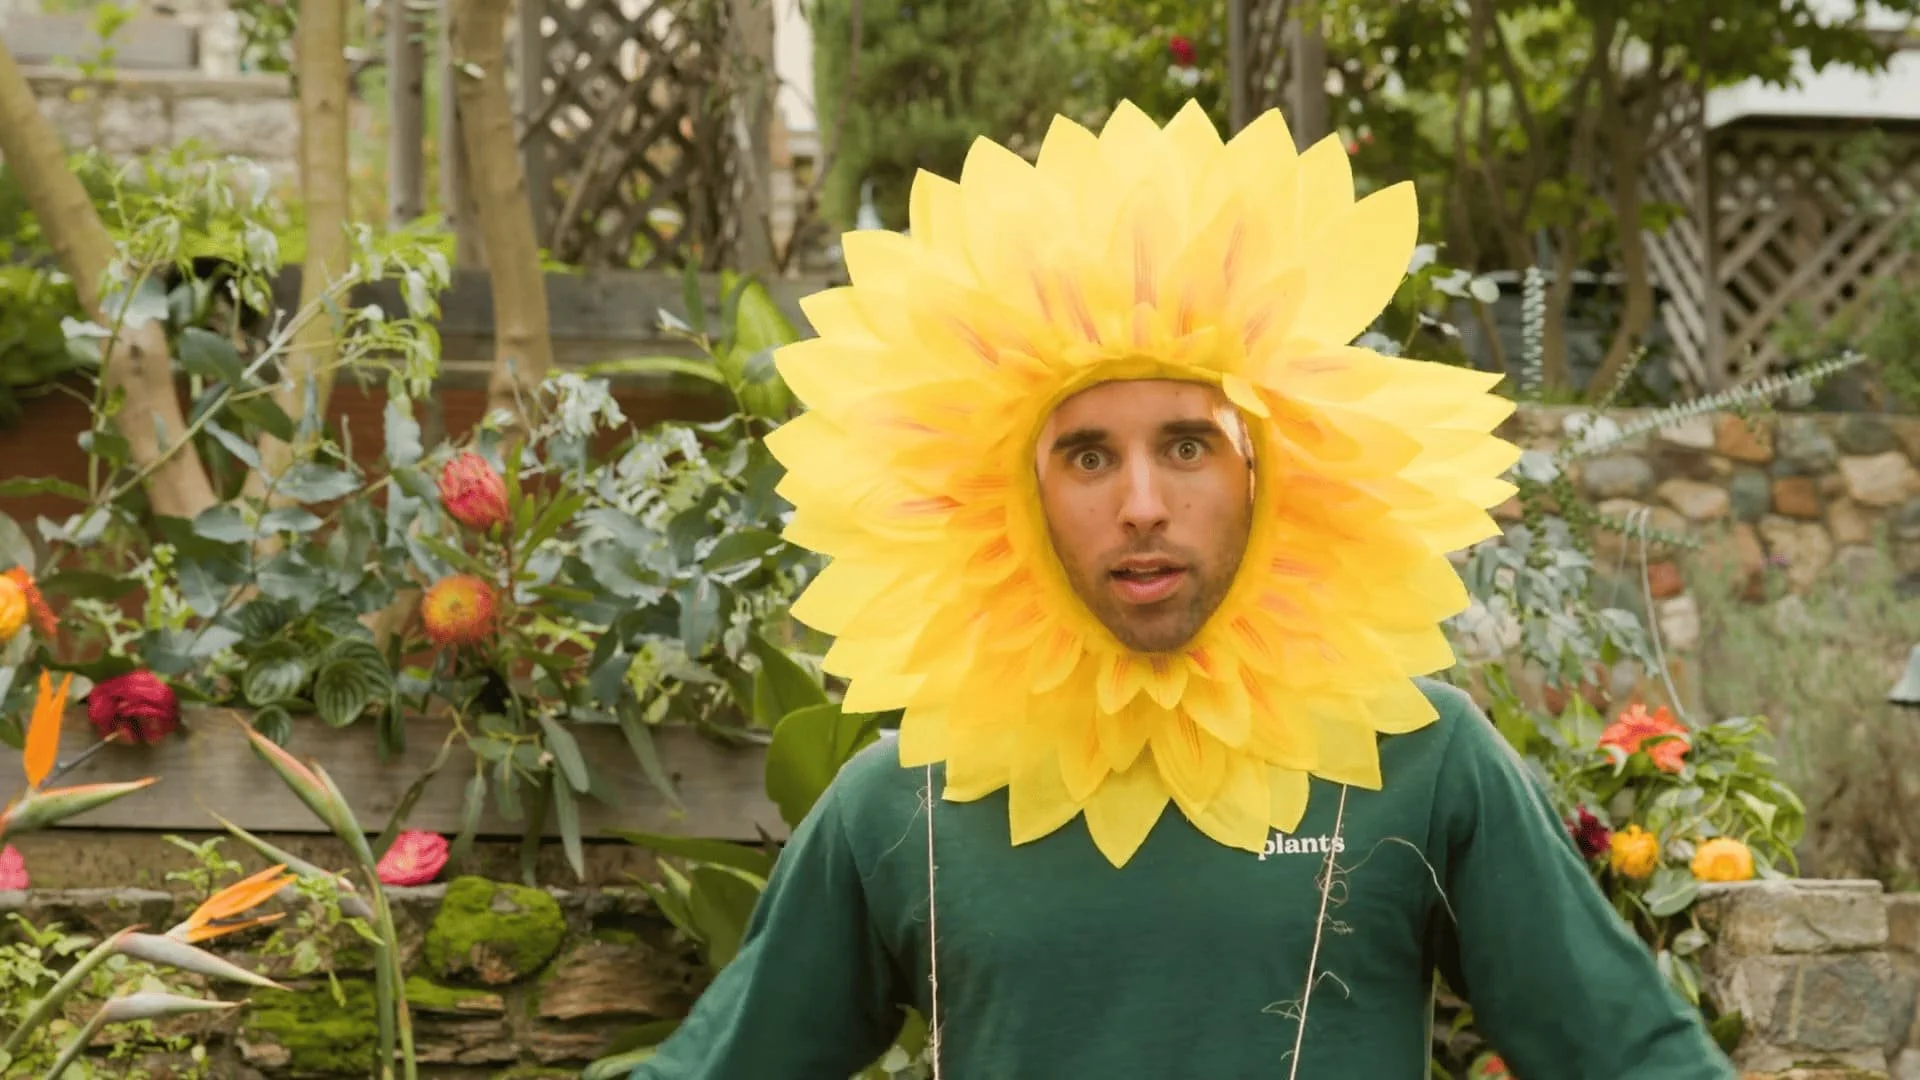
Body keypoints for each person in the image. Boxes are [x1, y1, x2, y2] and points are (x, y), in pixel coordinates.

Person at [633, 101, 1739, 1079]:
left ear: (1272, 473)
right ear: (1005, 494)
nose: (1144, 504)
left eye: (1190, 446)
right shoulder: (900, 803)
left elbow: (1629, 1051)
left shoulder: (1422, 757)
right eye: (1087, 457)